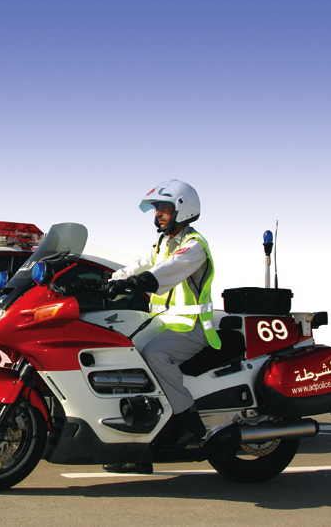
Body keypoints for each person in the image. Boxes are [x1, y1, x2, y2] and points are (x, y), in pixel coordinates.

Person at [102, 179, 221, 474]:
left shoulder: (194, 247)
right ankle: (139, 444)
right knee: (121, 354)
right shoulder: (163, 244)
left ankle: (187, 420)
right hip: (163, 324)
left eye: (164, 208)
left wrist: (136, 283)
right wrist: (109, 282)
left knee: (155, 356)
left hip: (191, 328)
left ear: (183, 209)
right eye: (157, 210)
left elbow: (164, 272)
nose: (159, 215)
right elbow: (138, 265)